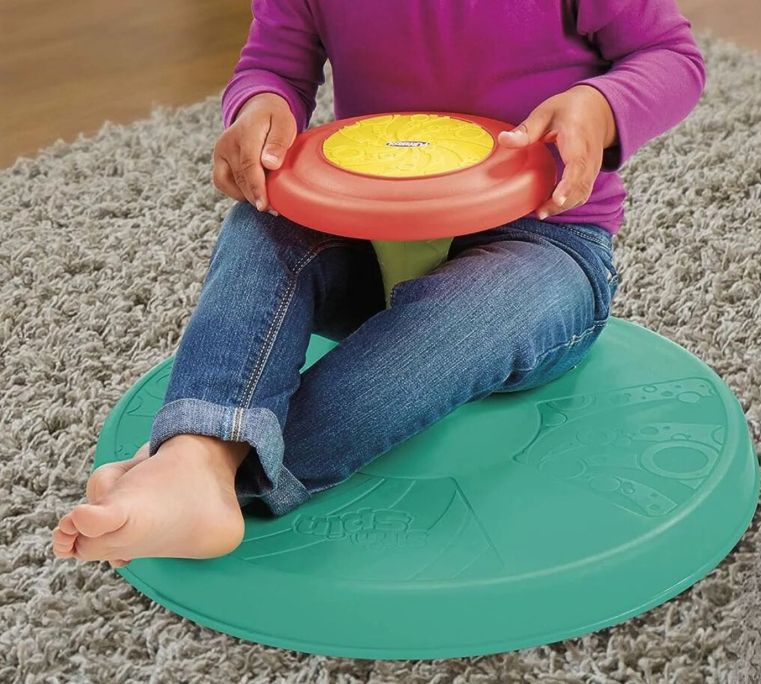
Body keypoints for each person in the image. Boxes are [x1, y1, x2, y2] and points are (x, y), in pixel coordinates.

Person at [53, 0, 705, 565]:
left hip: (545, 240)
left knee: (468, 312)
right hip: (369, 231)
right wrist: (261, 108)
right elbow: (274, 64)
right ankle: (199, 453)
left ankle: (210, 463)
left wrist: (602, 105)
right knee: (264, 223)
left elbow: (671, 55)